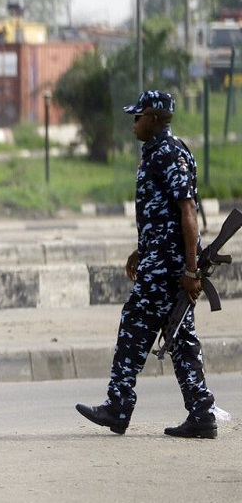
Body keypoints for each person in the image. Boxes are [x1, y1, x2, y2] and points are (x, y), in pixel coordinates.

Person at [76, 90, 217, 439]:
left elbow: (187, 212)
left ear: (153, 118)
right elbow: (161, 214)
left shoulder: (168, 154)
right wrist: (141, 250)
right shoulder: (158, 153)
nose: (134, 123)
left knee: (134, 326)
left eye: (137, 117)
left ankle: (118, 406)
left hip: (167, 268)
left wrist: (189, 269)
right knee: (180, 336)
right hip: (160, 259)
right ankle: (201, 413)